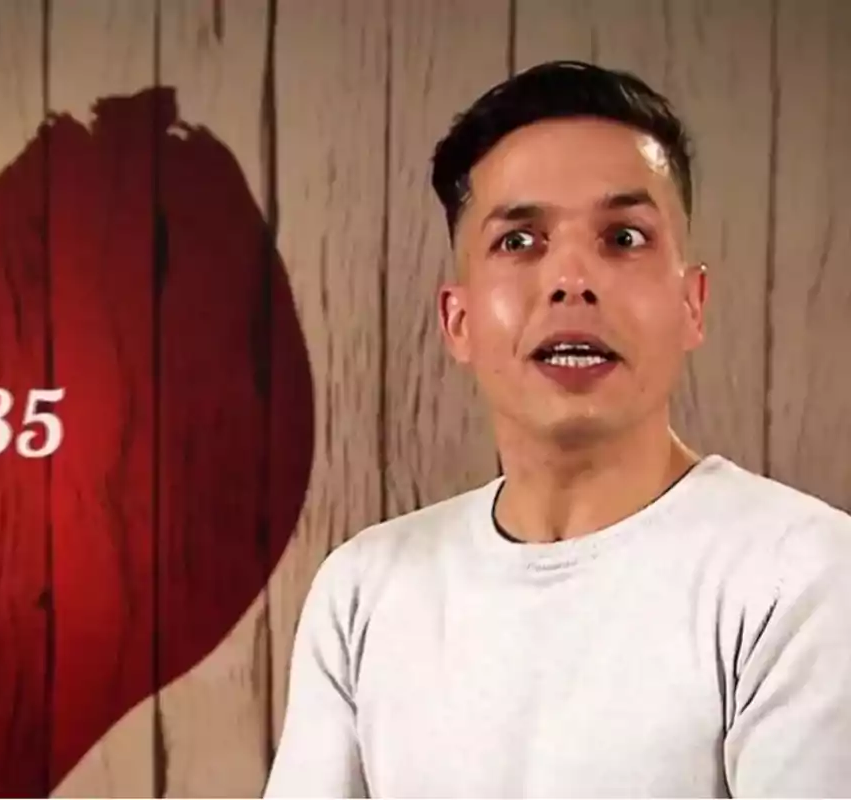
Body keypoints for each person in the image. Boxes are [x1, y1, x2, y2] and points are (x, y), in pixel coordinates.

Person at [263, 60, 851, 798]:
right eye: (520, 241)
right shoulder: (364, 590)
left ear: (692, 303)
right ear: (459, 319)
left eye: (625, 238)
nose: (573, 278)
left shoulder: (800, 575)